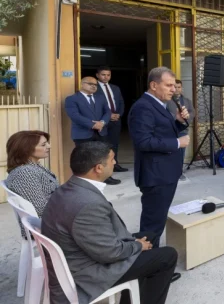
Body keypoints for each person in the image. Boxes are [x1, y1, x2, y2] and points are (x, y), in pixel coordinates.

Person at [41, 142, 177, 304]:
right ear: (98, 168)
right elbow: (110, 253)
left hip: (83, 252)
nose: (114, 162)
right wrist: (138, 246)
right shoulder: (88, 205)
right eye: (112, 159)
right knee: (167, 256)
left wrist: (137, 242)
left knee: (150, 236)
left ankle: (134, 297)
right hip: (89, 271)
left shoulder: (69, 188)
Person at [128, 67, 190, 246]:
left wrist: (177, 121)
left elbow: (162, 132)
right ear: (154, 85)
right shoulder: (143, 107)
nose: (173, 89)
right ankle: (149, 268)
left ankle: (152, 262)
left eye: (174, 85)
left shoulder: (160, 105)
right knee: (152, 224)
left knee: (157, 220)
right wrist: (177, 143)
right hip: (155, 175)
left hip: (165, 173)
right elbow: (144, 142)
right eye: (168, 85)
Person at [64, 76, 118, 185]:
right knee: (85, 157)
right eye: (90, 84)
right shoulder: (72, 99)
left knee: (103, 156)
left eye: (95, 85)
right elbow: (74, 115)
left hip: (101, 132)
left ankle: (106, 177)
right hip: (82, 134)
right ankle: (85, 181)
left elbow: (107, 112)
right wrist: (92, 124)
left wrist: (102, 122)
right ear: (82, 84)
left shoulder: (100, 98)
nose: (93, 86)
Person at [5, 131, 56, 237]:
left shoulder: (34, 167)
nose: (49, 146)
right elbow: (40, 209)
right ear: (26, 149)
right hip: (47, 225)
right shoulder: (24, 173)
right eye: (43, 144)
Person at [94, 66, 126, 172]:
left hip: (116, 120)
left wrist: (119, 114)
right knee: (103, 145)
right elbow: (94, 105)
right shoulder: (94, 88)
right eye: (103, 74)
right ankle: (104, 167)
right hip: (102, 121)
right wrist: (108, 116)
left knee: (114, 143)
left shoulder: (115, 88)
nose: (106, 77)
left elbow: (121, 102)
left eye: (108, 75)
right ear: (97, 75)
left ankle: (115, 164)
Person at [167, 79, 194, 181]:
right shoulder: (167, 101)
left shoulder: (187, 101)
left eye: (179, 87)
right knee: (171, 152)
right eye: (175, 87)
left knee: (181, 153)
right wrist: (176, 117)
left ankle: (179, 172)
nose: (177, 89)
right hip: (171, 130)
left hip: (183, 130)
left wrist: (186, 119)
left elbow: (192, 112)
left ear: (181, 88)